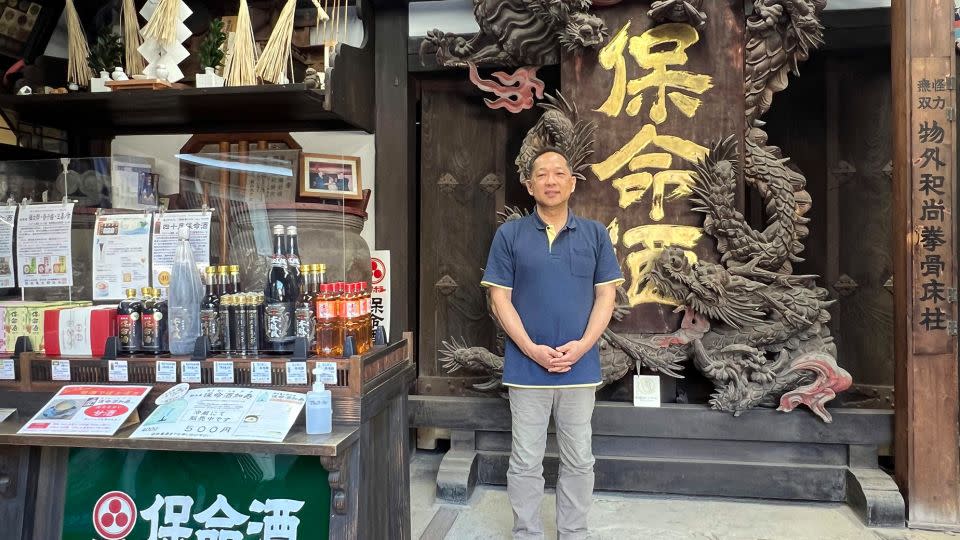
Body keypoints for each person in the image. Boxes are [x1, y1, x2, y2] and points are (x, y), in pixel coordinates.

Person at [481, 147, 623, 539]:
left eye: (559, 173)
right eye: (541, 174)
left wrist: (582, 346)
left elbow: (606, 297)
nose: (551, 180)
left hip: (580, 368)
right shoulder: (510, 234)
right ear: (529, 185)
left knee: (579, 458)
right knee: (525, 460)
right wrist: (530, 348)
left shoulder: (595, 234)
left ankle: (573, 532)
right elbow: (499, 298)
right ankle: (527, 532)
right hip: (527, 370)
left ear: (572, 183)